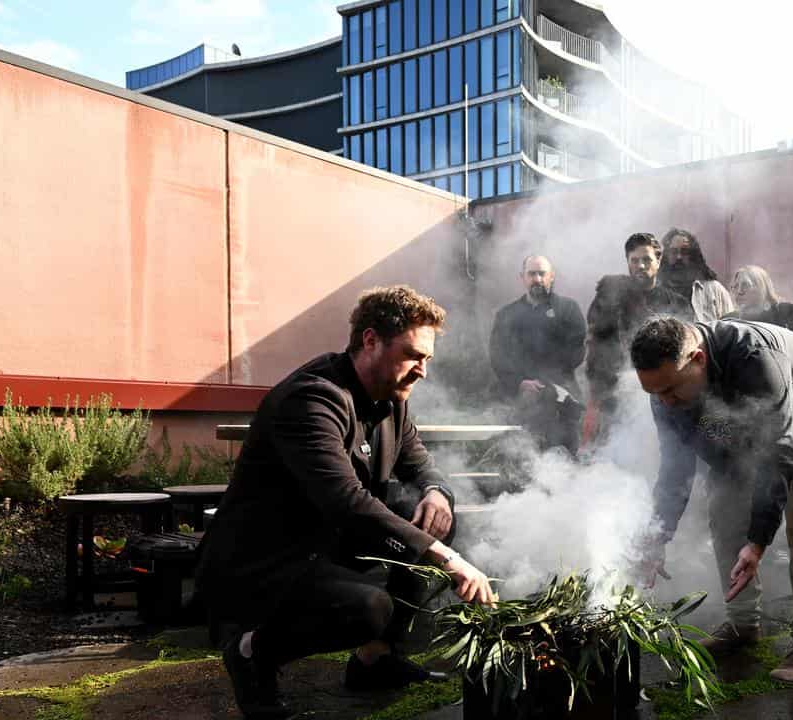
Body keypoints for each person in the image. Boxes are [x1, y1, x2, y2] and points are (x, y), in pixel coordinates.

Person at [196, 286, 496, 718]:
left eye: (427, 359)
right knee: (369, 607)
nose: (422, 372)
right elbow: (345, 500)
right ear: (370, 340)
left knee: (433, 521)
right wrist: (446, 557)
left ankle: (374, 660)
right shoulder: (311, 399)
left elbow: (422, 466)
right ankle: (250, 653)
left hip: (329, 544)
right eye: (413, 355)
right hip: (264, 560)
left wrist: (436, 494)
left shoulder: (391, 400)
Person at [632, 316, 793, 682]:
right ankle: (743, 624)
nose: (664, 402)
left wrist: (758, 542)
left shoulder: (755, 357)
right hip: (755, 429)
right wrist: (658, 535)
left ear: (697, 359)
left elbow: (777, 451)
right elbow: (675, 468)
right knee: (723, 506)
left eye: (670, 390)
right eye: (655, 393)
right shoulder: (668, 390)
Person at [584, 232, 691, 446]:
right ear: (628, 263)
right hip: (613, 397)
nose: (640, 266)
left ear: (658, 261)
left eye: (647, 260)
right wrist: (595, 399)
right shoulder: (609, 298)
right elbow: (596, 349)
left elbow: (687, 356)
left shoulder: (677, 304)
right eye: (634, 261)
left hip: (662, 399)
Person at [489, 255, 588, 452]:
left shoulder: (568, 309)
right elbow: (498, 356)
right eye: (531, 274)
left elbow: (576, 351)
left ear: (551, 276)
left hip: (562, 401)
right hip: (520, 401)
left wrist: (546, 383)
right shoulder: (506, 315)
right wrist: (520, 382)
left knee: (566, 459)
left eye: (542, 273)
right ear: (522, 278)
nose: (537, 279)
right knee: (524, 457)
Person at [658, 227, 735, 322]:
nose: (679, 257)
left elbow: (731, 326)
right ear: (666, 255)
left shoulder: (714, 289)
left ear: (693, 255)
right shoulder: (657, 290)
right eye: (673, 252)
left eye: (684, 252)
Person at [726, 265, 793, 336]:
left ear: (762, 287)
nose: (739, 291)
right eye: (735, 286)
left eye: (745, 285)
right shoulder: (728, 321)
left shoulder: (790, 314)